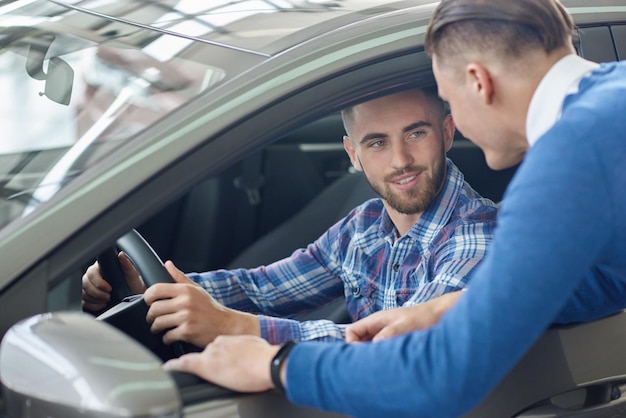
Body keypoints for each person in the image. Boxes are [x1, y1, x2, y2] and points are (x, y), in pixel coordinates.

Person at [160, 1, 626, 417]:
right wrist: (449, 308)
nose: (458, 124)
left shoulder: (565, 162)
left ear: (478, 82)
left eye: (449, 102)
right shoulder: (611, 104)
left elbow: (440, 379)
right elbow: (611, 279)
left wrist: (276, 361)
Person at [82, 87, 497, 349]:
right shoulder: (364, 225)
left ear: (446, 132)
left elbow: (390, 346)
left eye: (416, 133)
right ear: (353, 154)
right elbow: (264, 288)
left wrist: (231, 326)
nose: (401, 160)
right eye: (377, 143)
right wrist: (156, 287)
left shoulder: (477, 237)